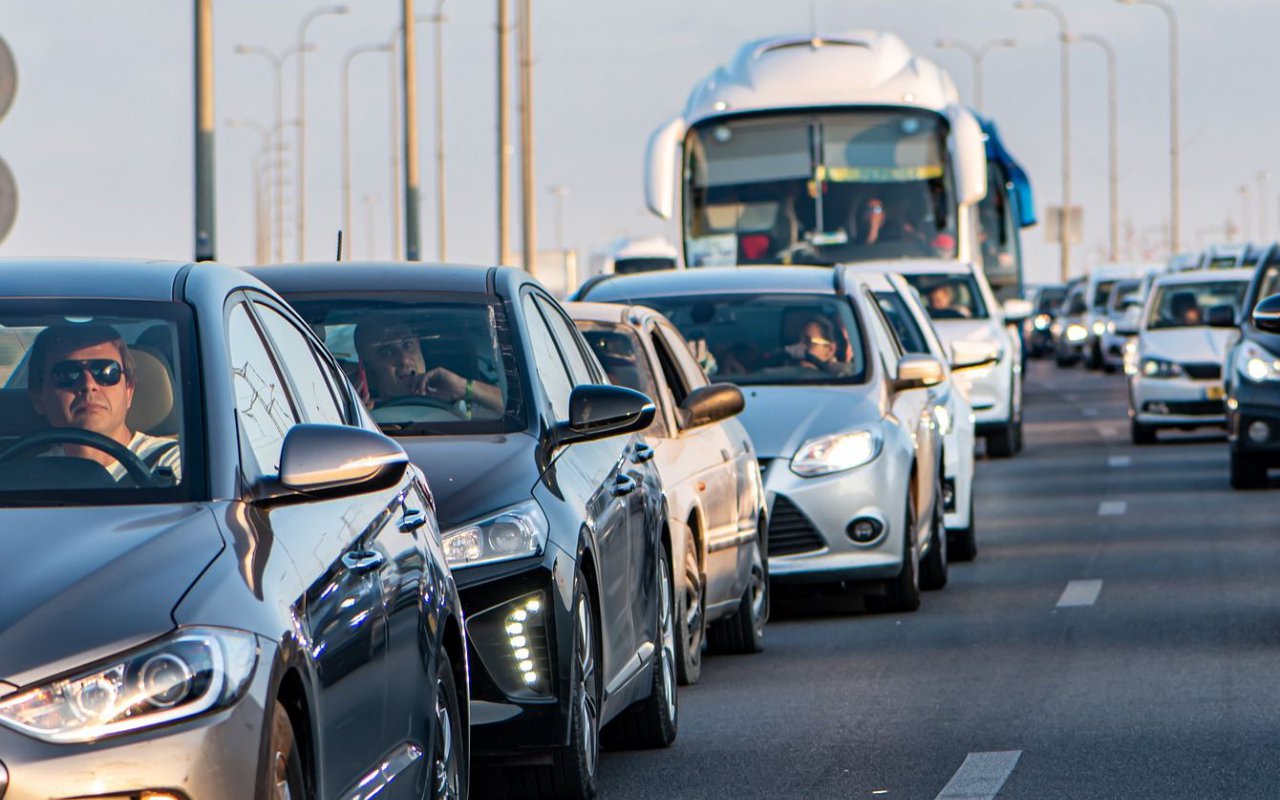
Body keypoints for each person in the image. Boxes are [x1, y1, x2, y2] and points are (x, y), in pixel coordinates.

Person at [26, 324, 181, 483]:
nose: (88, 385)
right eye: (67, 373)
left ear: (129, 390)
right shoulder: (26, 477)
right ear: (38, 397)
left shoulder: (175, 464)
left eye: (107, 371)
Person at [354, 319, 503, 417]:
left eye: (408, 345)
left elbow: (518, 413)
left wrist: (464, 387)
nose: (404, 359)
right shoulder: (361, 419)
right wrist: (360, 416)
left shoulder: (462, 403)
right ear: (368, 373)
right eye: (388, 352)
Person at [784, 318, 856, 376]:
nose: (799, 346)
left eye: (808, 341)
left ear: (830, 349)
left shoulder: (842, 375)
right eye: (798, 340)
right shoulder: (784, 369)